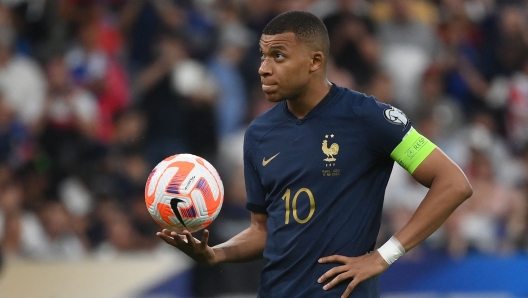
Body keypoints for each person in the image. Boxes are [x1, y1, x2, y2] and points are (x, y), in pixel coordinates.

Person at [157, 10, 473, 298]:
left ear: (315, 61)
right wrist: (217, 253)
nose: (264, 69)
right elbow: (262, 230)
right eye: (263, 56)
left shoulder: (368, 117)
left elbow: (453, 183)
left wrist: (383, 256)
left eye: (278, 56)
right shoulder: (259, 134)